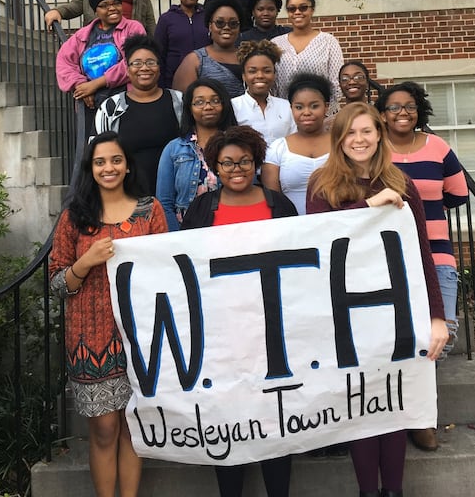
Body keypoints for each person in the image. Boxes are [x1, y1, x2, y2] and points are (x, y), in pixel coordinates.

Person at [306, 102, 448, 497]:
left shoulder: (402, 182)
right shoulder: (322, 184)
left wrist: (436, 317)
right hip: (346, 311)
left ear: (380, 135)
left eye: (367, 131)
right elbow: (320, 238)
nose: (359, 140)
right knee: (361, 404)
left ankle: (394, 491)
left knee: (394, 402)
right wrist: (369, 204)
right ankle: (369, 491)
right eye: (350, 132)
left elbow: (422, 253)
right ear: (339, 140)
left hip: (396, 308)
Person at [49, 131, 167, 497]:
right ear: (90, 168)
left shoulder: (151, 210)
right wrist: (85, 262)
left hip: (141, 336)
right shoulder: (74, 218)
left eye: (115, 160)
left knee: (134, 426)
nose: (109, 168)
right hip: (90, 340)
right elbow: (56, 284)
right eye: (100, 162)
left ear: (127, 164)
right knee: (103, 430)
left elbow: (168, 271)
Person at [181, 126, 297, 497]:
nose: (236, 168)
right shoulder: (203, 207)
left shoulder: (280, 205)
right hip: (222, 332)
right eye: (227, 162)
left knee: (275, 417)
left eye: (244, 161)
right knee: (227, 417)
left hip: (274, 330)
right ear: (215, 167)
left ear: (256, 163)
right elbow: (186, 264)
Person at [376, 80, 468, 453]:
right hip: (390, 256)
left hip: (437, 251)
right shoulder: (376, 149)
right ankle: (413, 418)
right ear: (382, 113)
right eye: (395, 107)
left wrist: (425, 213)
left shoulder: (438, 147)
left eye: (410, 106)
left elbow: (458, 194)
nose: (402, 112)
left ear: (420, 111)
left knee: (441, 334)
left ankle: (418, 411)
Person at [56, 0, 146, 150]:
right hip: (92, 106)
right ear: (95, 10)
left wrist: (97, 83)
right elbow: (64, 63)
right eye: (104, 5)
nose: (112, 8)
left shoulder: (133, 28)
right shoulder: (82, 36)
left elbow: (134, 62)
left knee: (127, 149)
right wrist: (81, 85)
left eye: (115, 3)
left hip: (126, 102)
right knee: (95, 151)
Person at [94, 35, 182, 194]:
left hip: (176, 195)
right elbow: (99, 156)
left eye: (150, 62)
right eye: (137, 63)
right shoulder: (111, 108)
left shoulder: (178, 101)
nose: (144, 68)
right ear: (127, 69)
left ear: (159, 67)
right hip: (127, 196)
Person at [156, 79, 237, 230]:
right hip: (186, 231)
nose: (208, 107)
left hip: (229, 229)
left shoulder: (239, 146)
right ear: (189, 109)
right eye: (199, 102)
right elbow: (164, 204)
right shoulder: (174, 149)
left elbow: (247, 194)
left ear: (224, 106)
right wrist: (178, 238)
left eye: (215, 101)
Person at [261, 73, 332, 215]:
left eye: (314, 106)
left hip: (336, 227)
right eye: (299, 107)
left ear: (326, 107)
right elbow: (274, 199)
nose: (306, 112)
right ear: (291, 108)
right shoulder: (277, 148)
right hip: (293, 227)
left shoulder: (342, 144)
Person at [273, 0, 344, 116]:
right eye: (292, 9)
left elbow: (336, 85)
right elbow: (273, 86)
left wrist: (325, 115)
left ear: (312, 10)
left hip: (320, 117)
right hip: (284, 116)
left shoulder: (328, 42)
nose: (297, 12)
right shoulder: (276, 44)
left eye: (303, 7)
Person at [172, 0, 244, 98]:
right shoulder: (195, 60)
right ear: (210, 26)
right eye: (220, 23)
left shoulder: (248, 56)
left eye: (233, 23)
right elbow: (183, 102)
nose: (227, 27)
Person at [231, 39, 296, 146]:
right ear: (244, 76)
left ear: (274, 74)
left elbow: (294, 141)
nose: (260, 76)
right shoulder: (234, 107)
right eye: (252, 71)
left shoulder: (286, 107)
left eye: (267, 71)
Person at [154, 0, 209, 88]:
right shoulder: (166, 19)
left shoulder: (208, 16)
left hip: (207, 80)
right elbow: (159, 54)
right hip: (174, 82)